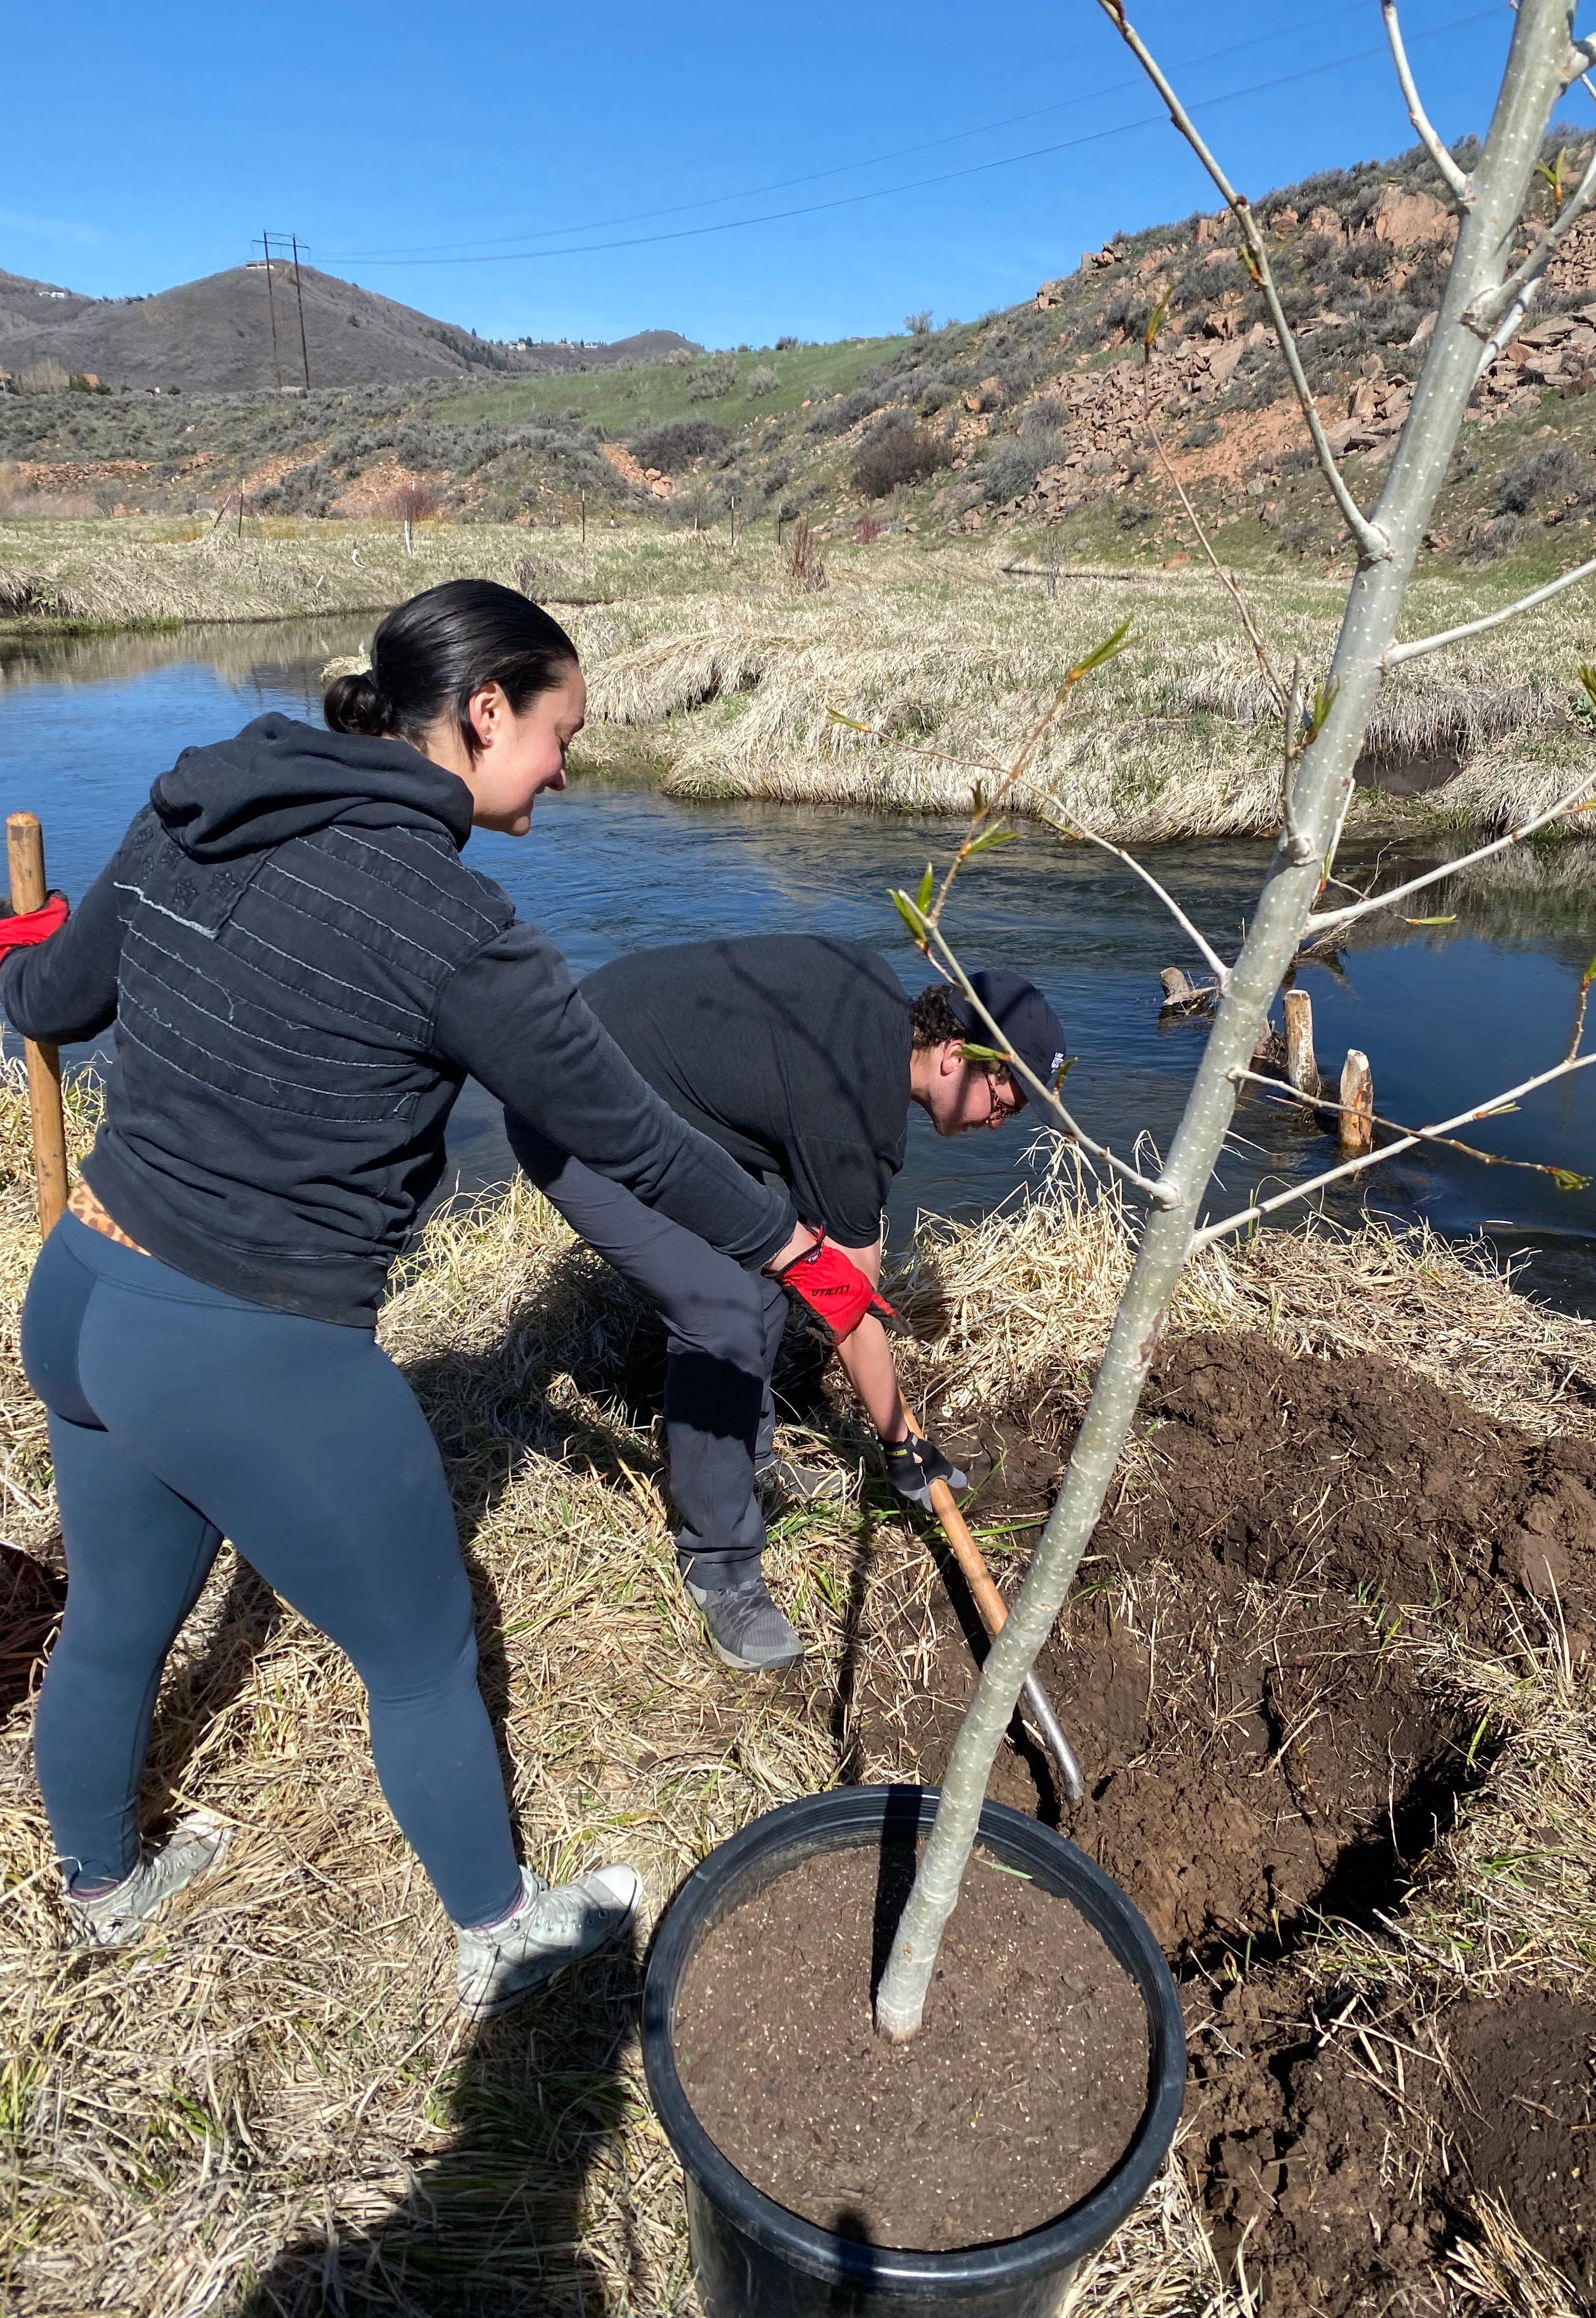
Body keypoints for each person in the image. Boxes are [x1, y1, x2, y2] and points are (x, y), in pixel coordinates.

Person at [0, 580, 856, 2016]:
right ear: (481, 712)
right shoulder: (461, 930)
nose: (569, 770)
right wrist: (803, 1258)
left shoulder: (193, 805)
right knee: (419, 1656)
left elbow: (47, 1007)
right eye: (560, 733)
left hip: (82, 1294)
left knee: (114, 1624)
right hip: (245, 1349)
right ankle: (502, 1939)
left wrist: (36, 945)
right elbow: (636, 1140)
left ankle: (100, 1888)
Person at [505, 934, 1067, 1674]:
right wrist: (902, 1447)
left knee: (774, 1265)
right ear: (955, 1056)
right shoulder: (849, 1115)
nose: (999, 1124)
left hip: (642, 1084)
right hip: (569, 1113)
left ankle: (749, 1457)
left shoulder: (873, 1004)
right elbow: (849, 1308)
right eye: (1004, 1102)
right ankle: (721, 1566)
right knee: (724, 1313)